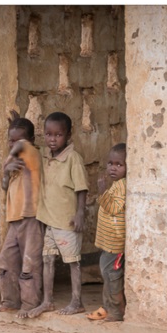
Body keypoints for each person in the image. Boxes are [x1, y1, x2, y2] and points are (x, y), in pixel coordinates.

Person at [27, 111, 89, 318]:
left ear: (68, 135)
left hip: (67, 221)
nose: (52, 139)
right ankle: (47, 301)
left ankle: (76, 301)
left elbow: (81, 188)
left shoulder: (73, 158)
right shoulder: (45, 154)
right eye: (48, 134)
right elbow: (29, 148)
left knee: (73, 261)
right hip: (49, 220)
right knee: (48, 260)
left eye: (58, 135)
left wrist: (80, 213)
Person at [0, 111, 44, 318]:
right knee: (6, 260)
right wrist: (6, 171)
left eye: (18, 139)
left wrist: (8, 160)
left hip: (31, 217)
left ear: (31, 140)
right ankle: (10, 300)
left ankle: (29, 304)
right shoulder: (17, 160)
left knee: (29, 262)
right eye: (10, 140)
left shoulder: (32, 153)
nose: (13, 143)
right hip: (15, 219)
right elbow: (5, 186)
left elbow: (21, 145)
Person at [87, 143, 127, 322]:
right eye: (110, 163)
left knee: (113, 278)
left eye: (119, 164)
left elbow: (113, 207)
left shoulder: (122, 186)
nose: (113, 168)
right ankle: (106, 307)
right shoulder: (116, 184)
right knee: (107, 274)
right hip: (108, 244)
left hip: (115, 244)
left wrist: (102, 191)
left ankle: (117, 312)